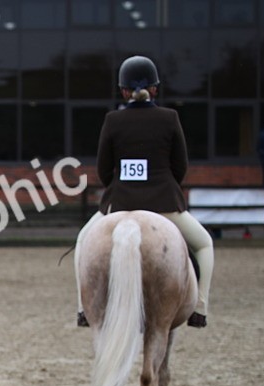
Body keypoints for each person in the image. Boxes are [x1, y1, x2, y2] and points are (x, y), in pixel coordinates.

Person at [76, 55, 213, 329]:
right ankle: (200, 307)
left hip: (121, 202)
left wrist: (119, 190)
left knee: (82, 242)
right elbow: (180, 166)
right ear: (155, 89)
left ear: (123, 91)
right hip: (164, 203)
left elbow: (104, 170)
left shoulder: (113, 120)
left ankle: (82, 309)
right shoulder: (170, 117)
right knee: (204, 244)